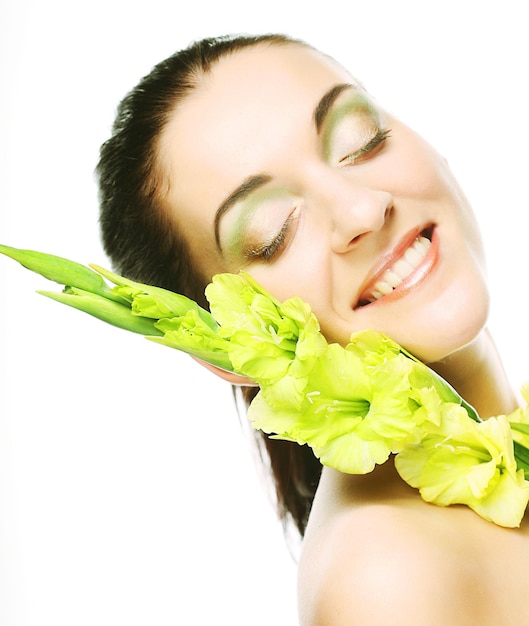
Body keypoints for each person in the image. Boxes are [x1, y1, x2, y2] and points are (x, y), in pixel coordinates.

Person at [96, 33, 528, 624]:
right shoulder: (386, 579)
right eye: (275, 230)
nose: (363, 208)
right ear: (231, 350)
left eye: (360, 140)